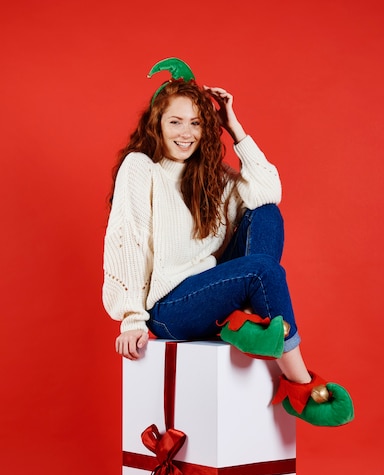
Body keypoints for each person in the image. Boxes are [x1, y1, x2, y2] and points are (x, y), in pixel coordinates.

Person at [102, 58, 354, 427]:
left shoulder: (212, 178)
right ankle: (301, 384)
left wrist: (235, 129)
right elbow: (129, 239)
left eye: (196, 123)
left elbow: (270, 192)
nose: (185, 132)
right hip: (170, 310)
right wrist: (131, 319)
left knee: (266, 213)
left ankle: (247, 323)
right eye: (175, 121)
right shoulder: (142, 167)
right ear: (156, 124)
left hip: (212, 300)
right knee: (262, 270)